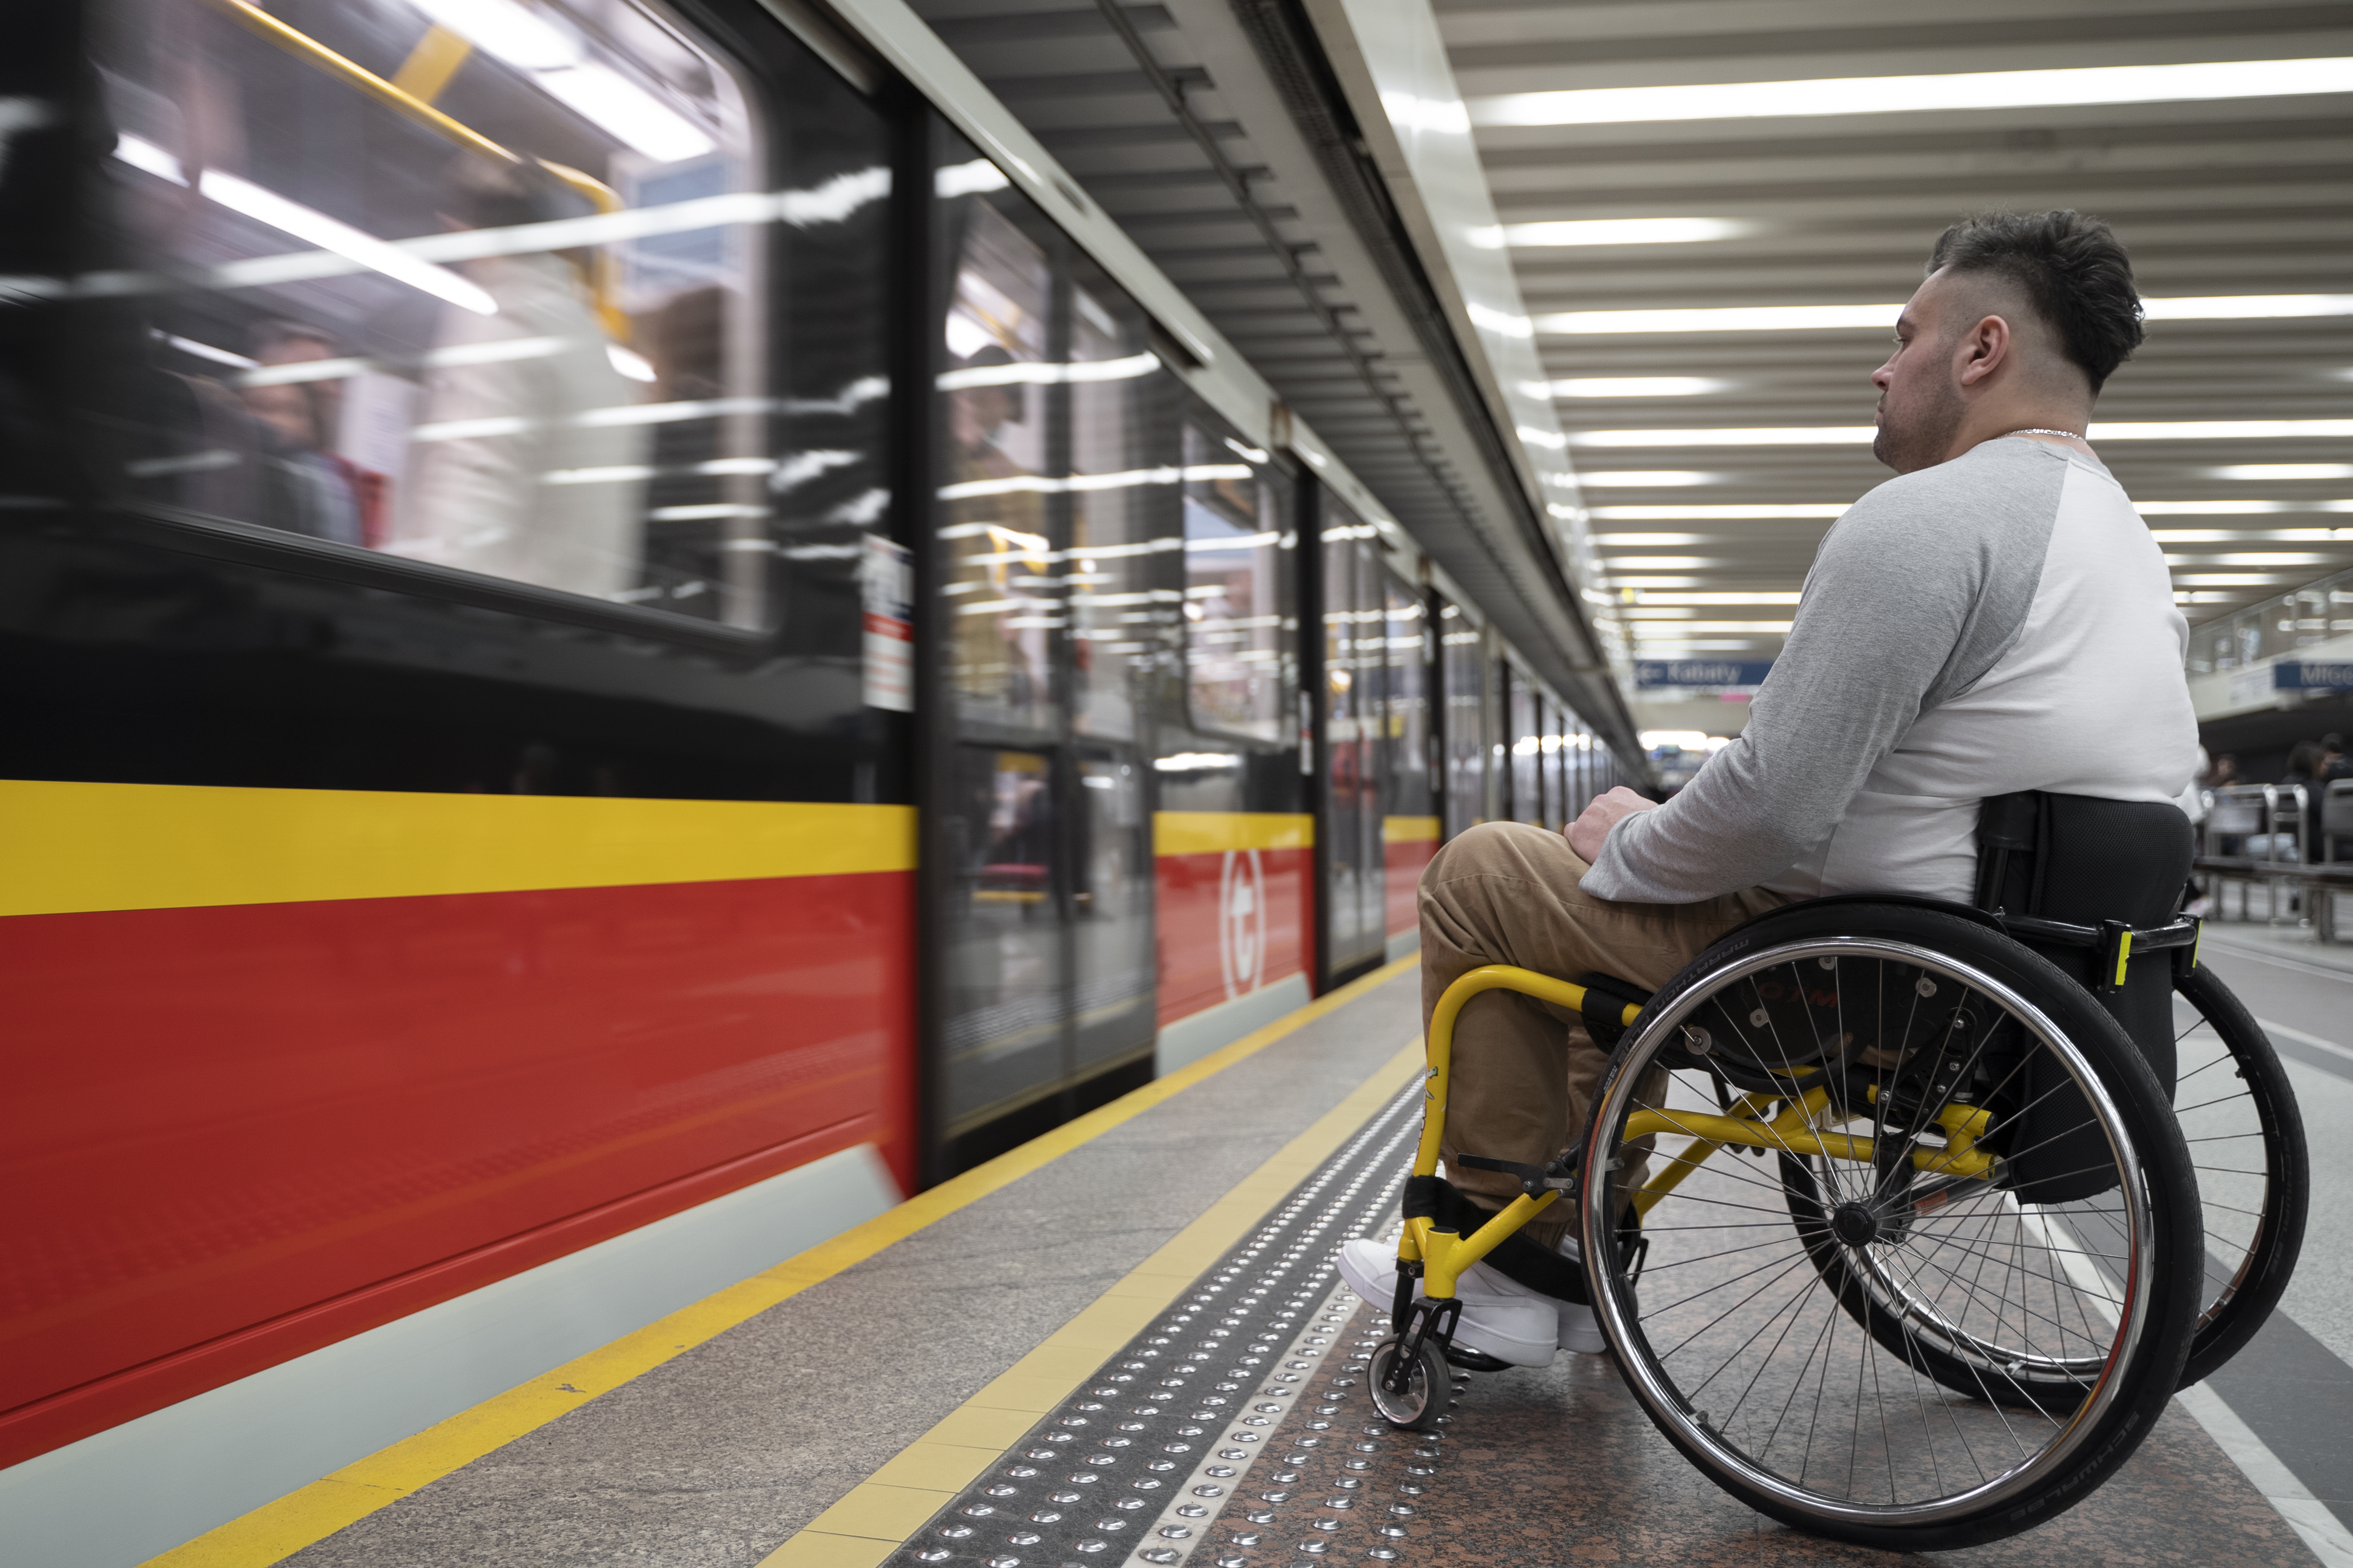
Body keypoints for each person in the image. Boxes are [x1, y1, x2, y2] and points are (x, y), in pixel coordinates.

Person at [1339, 209, 2200, 1367]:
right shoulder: (2123, 543)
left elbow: (1772, 808)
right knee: (1585, 944)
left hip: (1859, 981)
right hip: (2039, 979)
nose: (1881, 365)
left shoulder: (1926, 523)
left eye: (1904, 336)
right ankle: (1571, 1251)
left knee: (1485, 873)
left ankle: (1509, 1270)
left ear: (1980, 350)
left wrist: (1630, 839)